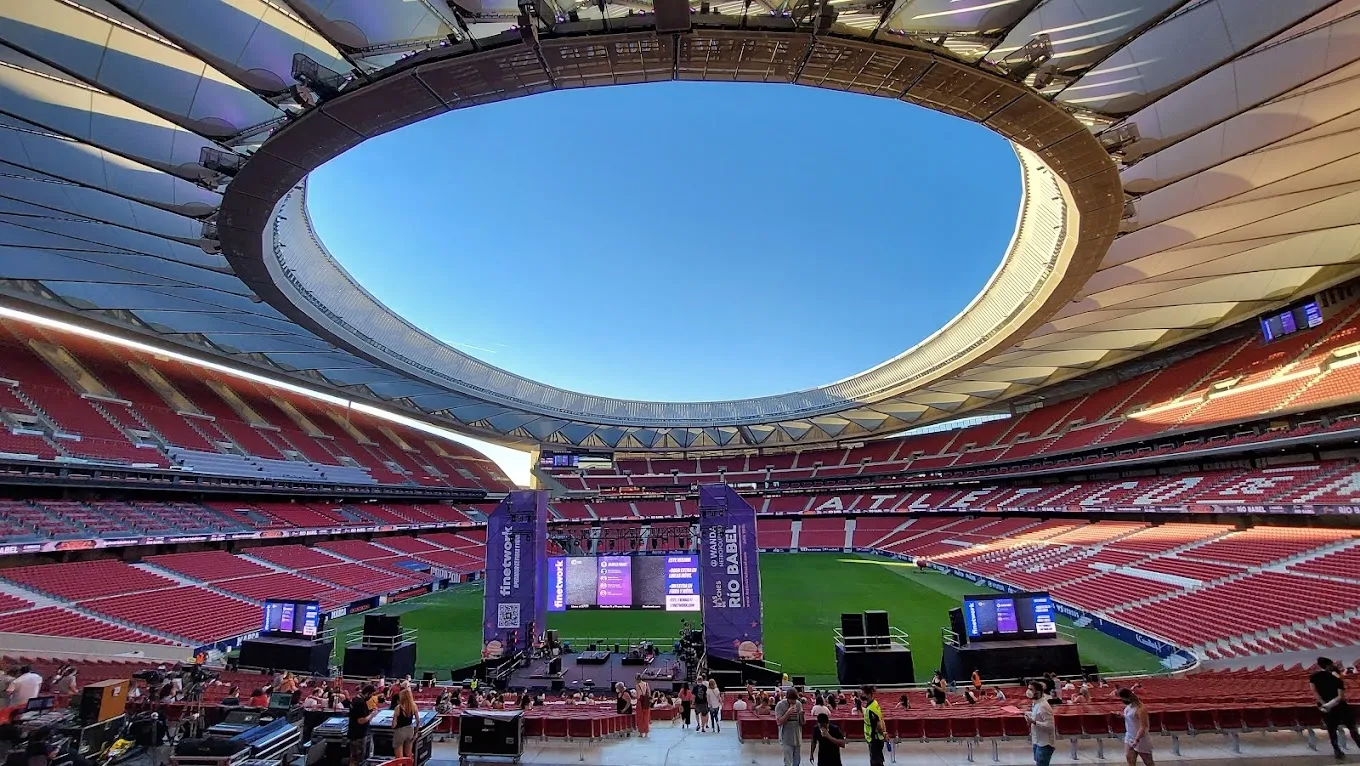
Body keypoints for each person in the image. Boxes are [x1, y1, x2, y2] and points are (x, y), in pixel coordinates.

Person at [1312, 656, 1360, 761]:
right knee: (1352, 728)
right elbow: (1340, 697)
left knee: (1332, 730)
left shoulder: (1314, 676)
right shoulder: (1337, 679)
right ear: (1329, 665)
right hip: (1340, 706)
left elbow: (1315, 692)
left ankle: (1337, 750)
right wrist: (1330, 704)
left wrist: (1324, 704)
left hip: (1326, 707)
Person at [1024, 680, 1056, 766]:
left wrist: (1033, 722)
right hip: (1037, 741)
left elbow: (1050, 726)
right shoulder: (1036, 704)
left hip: (1045, 743)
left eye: (1031, 689)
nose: (1028, 691)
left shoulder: (1043, 706)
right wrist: (1028, 715)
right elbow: (1037, 716)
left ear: (1037, 692)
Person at [1119, 688, 1153, 766]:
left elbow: (1143, 726)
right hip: (1129, 735)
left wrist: (1136, 739)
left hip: (1140, 738)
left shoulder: (1141, 709)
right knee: (1129, 758)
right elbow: (1131, 718)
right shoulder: (1128, 706)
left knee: (1148, 762)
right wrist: (1122, 715)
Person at [774, 688, 804, 766]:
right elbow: (779, 722)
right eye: (791, 700)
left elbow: (802, 723)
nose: (793, 702)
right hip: (786, 737)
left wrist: (802, 715)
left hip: (797, 736)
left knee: (797, 761)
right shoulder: (780, 705)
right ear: (787, 698)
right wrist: (788, 713)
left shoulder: (798, 704)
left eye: (795, 699)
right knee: (788, 761)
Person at [348, 685, 376, 766]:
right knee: (358, 759)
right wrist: (372, 715)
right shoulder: (360, 703)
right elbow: (361, 720)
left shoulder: (355, 699)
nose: (371, 697)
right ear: (367, 693)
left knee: (353, 758)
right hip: (358, 735)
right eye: (371, 695)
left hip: (353, 733)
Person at [862, 685, 886, 766]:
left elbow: (878, 725)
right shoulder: (875, 703)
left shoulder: (870, 709)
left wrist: (884, 734)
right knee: (878, 760)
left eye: (863, 693)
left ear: (868, 694)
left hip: (874, 739)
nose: (862, 695)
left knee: (875, 762)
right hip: (877, 738)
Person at [392, 687, 419, 760]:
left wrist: (393, 725)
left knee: (399, 758)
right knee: (408, 755)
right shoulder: (414, 706)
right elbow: (418, 721)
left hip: (400, 732)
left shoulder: (398, 708)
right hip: (410, 730)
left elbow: (394, 725)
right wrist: (416, 732)